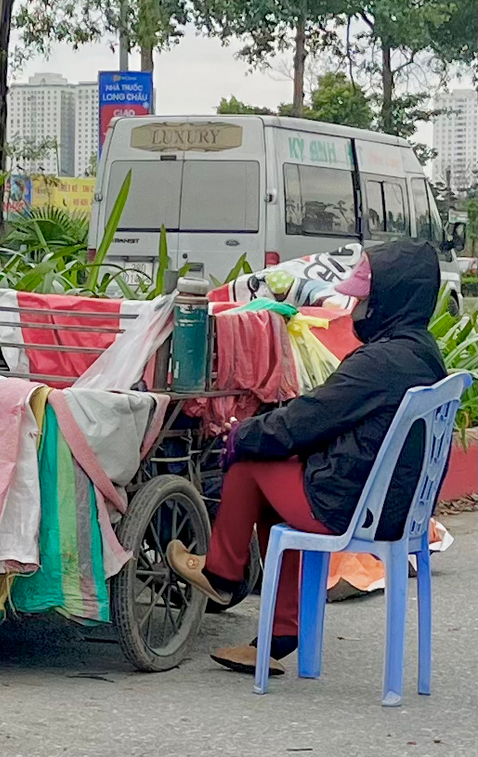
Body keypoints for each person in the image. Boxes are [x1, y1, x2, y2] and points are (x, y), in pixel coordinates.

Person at [168, 238, 448, 674]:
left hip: (349, 508)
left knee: (249, 460)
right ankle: (279, 633)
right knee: (276, 491)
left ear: (387, 301)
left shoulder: (380, 363)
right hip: (396, 508)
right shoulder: (422, 354)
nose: (354, 309)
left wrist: (241, 433)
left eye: (364, 301)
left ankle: (222, 573)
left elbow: (307, 419)